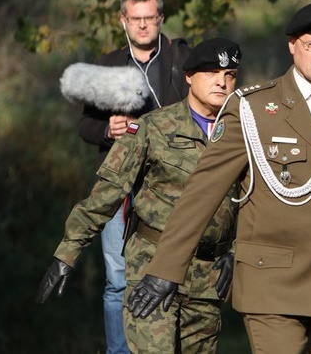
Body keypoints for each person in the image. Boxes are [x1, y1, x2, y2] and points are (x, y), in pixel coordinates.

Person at [127, 1, 311, 353]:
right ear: (293, 46)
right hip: (272, 283)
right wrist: (165, 270)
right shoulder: (254, 108)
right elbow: (203, 192)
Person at [37, 38, 242, 353]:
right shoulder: (153, 127)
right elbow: (107, 192)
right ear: (189, 76)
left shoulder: (244, 134)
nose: (221, 81)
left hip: (207, 279)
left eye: (229, 75)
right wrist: (67, 252)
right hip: (151, 267)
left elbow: (260, 203)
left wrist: (237, 252)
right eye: (211, 72)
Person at [77, 0, 191, 353]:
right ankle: (118, 350)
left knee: (172, 272)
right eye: (135, 19)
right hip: (120, 185)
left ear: (160, 19)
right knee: (116, 279)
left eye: (149, 18)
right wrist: (106, 130)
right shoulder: (108, 64)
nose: (143, 25)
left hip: (169, 185)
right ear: (123, 21)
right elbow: (85, 125)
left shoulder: (182, 60)